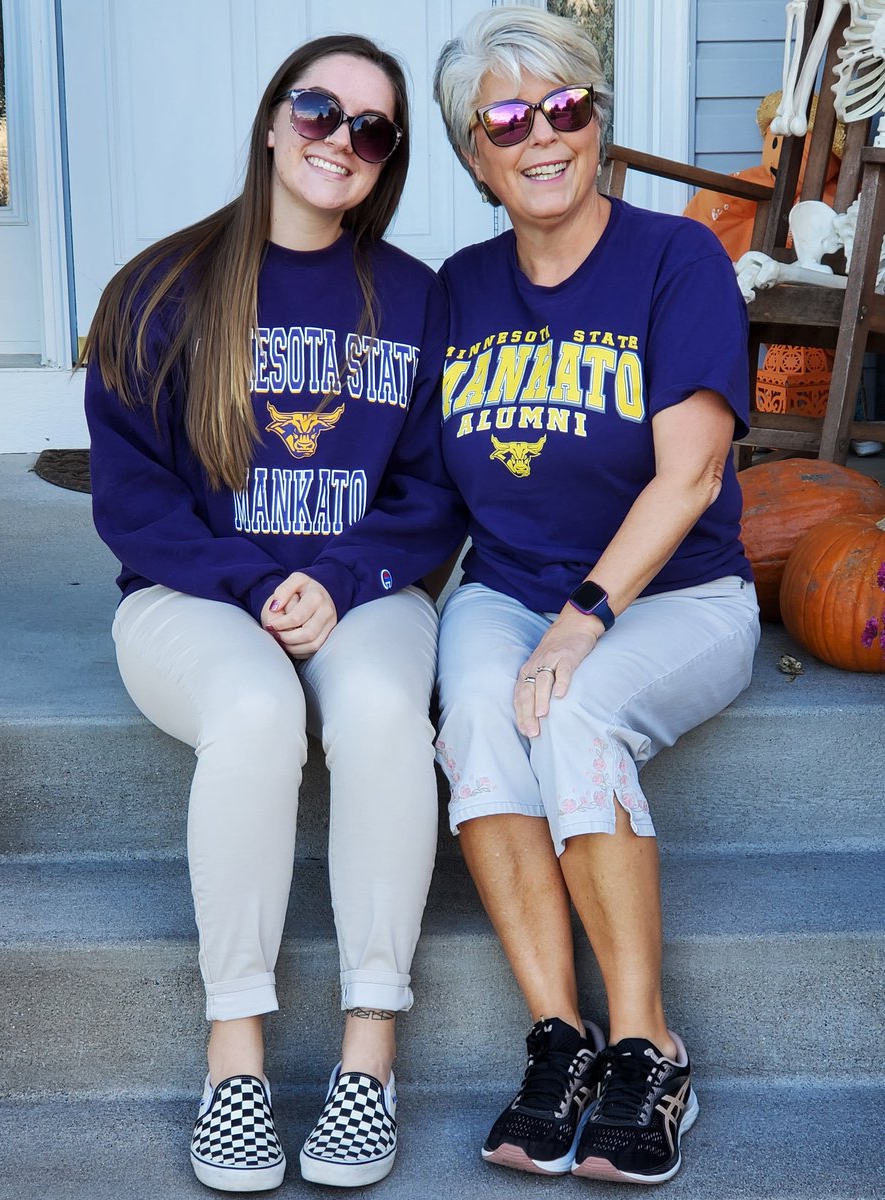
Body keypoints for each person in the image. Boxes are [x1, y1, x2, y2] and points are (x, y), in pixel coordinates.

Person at [84, 33, 463, 1193]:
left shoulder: (414, 298)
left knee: (388, 711)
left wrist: (341, 578)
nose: (340, 140)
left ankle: (370, 1050)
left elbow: (436, 487)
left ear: (388, 157)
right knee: (254, 711)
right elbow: (134, 500)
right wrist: (252, 585)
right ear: (270, 120)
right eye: (318, 109)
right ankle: (236, 1054)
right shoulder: (160, 288)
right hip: (190, 599)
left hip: (366, 593)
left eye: (371, 128)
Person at [433, 6, 760, 1186]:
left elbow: (692, 476)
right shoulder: (459, 290)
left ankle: (647, 1046)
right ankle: (560, 1044)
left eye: (564, 107)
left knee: (571, 713)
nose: (541, 137)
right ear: (476, 156)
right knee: (475, 715)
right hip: (506, 587)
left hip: (677, 597)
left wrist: (584, 618)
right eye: (506, 119)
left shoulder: (678, 260)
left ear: (599, 124)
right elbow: (416, 482)